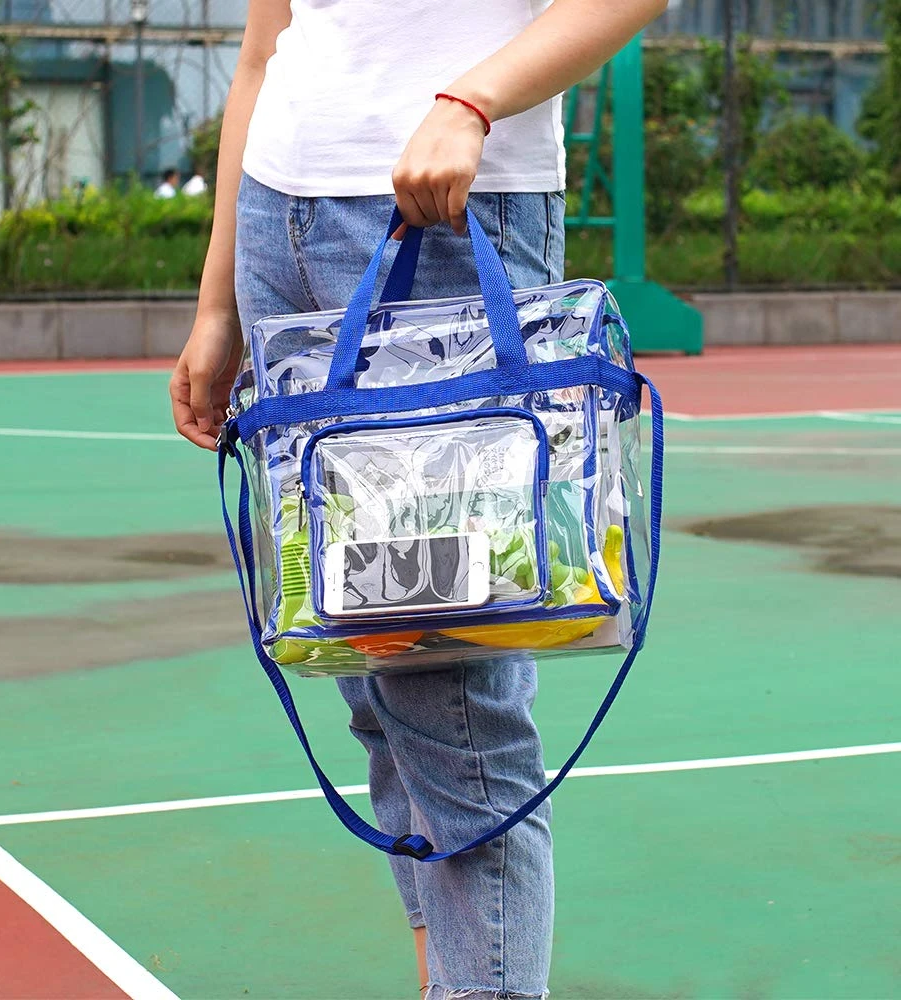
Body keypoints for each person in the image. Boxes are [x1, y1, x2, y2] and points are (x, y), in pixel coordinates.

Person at [169, 1, 666, 996]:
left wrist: (472, 100)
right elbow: (266, 51)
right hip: (283, 218)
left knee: (455, 700)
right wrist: (218, 300)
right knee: (372, 671)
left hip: (448, 203)